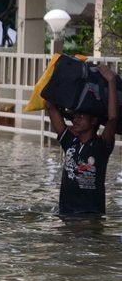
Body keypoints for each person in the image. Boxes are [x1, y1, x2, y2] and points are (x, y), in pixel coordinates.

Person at [46, 64, 118, 215]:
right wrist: (59, 74)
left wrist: (111, 81)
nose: (76, 120)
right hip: (66, 214)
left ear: (93, 121)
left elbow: (112, 118)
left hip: (91, 216)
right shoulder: (70, 141)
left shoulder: (101, 146)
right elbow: (51, 107)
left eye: (81, 117)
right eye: (75, 116)